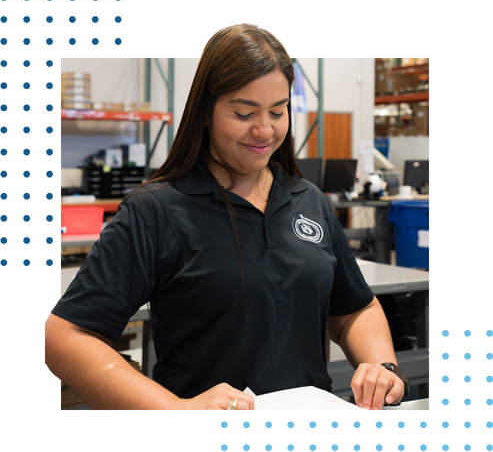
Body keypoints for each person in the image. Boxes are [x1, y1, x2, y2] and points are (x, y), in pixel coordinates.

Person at [43, 21, 408, 413]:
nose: (265, 129)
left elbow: (354, 308)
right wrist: (173, 408)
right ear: (205, 112)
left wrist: (380, 364)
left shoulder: (309, 201)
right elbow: (62, 336)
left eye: (278, 111)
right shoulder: (157, 210)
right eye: (244, 112)